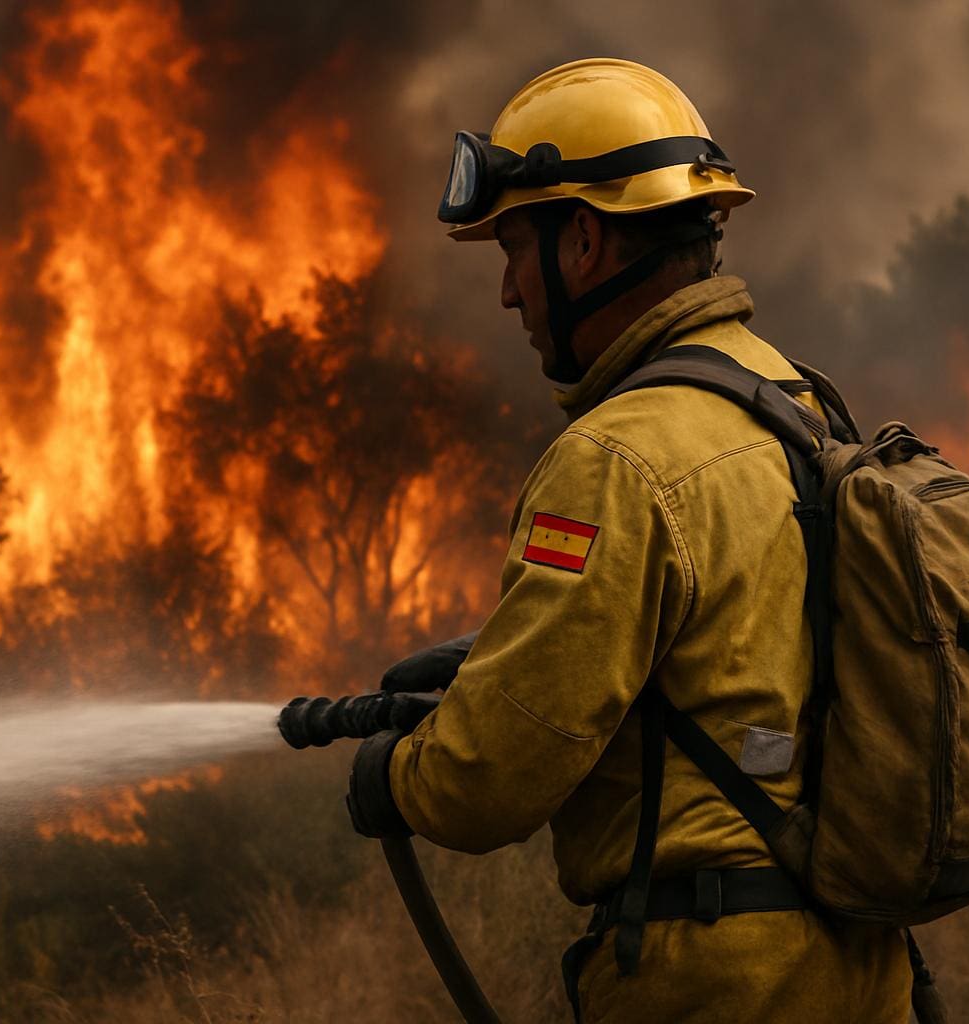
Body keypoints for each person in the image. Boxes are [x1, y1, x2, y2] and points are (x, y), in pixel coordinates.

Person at [346, 58, 912, 1022]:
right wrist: (511, 652)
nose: (508, 295)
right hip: (862, 969)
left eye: (512, 250)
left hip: (713, 983)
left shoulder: (616, 457)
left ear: (582, 241)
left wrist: (397, 777)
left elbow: (492, 779)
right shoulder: (796, 402)